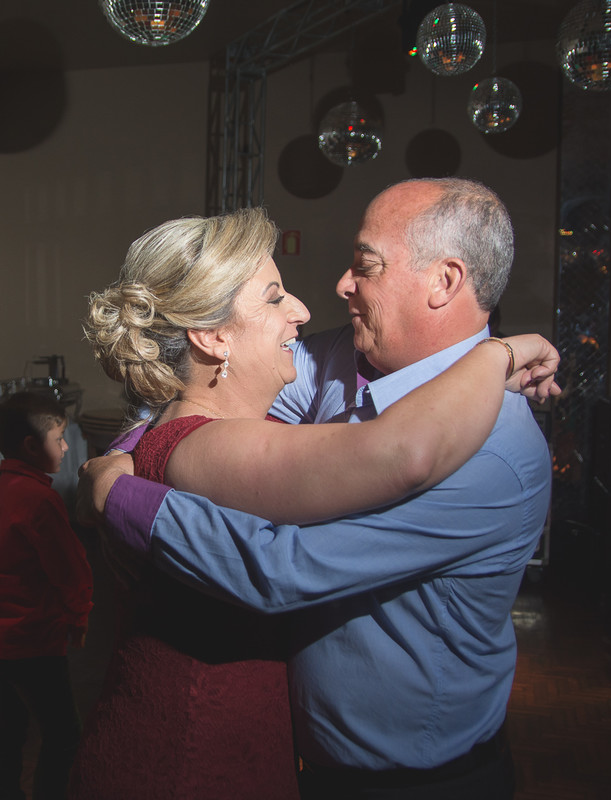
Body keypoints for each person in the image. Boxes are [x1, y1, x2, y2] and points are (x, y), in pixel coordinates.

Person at [80, 178, 556, 800]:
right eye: (277, 295)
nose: (336, 288)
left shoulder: (491, 450)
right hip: (251, 743)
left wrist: (122, 496)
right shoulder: (341, 360)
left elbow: (282, 568)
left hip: (411, 782)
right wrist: (134, 445)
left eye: (366, 265)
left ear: (444, 281)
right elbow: (199, 386)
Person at [0, 392, 93, 800]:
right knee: (64, 735)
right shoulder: (39, 500)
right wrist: (79, 615)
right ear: (31, 446)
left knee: (8, 726)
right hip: (31, 638)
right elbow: (69, 567)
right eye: (59, 438)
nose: (66, 447)